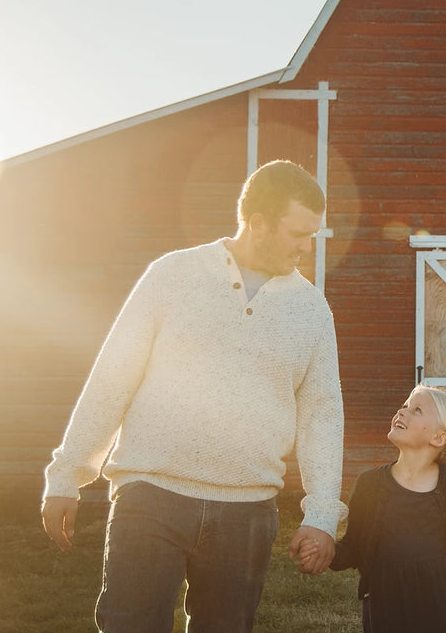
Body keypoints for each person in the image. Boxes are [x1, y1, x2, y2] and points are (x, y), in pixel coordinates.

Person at [39, 159, 345, 633]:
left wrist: (323, 512)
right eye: (298, 233)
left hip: (247, 511)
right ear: (257, 222)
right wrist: (68, 474)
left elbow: (322, 415)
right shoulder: (172, 276)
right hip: (151, 494)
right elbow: (112, 376)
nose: (307, 247)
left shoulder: (311, 310)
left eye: (314, 236)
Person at [329, 384, 446, 632]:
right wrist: (326, 552)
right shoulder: (370, 484)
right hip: (387, 607)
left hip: (443, 607)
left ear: (439, 438)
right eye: (405, 405)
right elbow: (353, 546)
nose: (402, 411)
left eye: (416, 410)